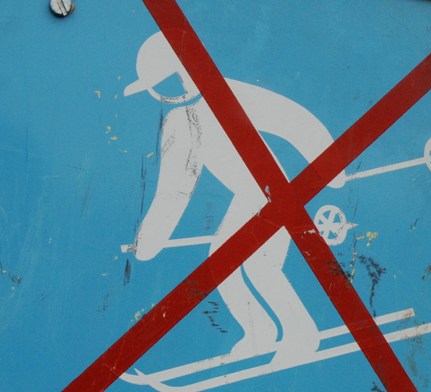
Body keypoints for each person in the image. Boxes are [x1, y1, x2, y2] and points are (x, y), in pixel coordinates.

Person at [124, 32, 348, 364]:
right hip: (249, 198)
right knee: (222, 261)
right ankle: (258, 331)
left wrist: (332, 169)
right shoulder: (180, 123)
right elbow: (173, 191)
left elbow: (292, 120)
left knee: (260, 265)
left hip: (276, 195)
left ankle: (302, 333)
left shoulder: (224, 94)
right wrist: (149, 242)